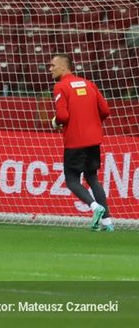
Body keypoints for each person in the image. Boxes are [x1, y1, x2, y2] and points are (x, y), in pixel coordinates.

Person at [49, 53, 114, 232]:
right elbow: (106, 111)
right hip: (94, 139)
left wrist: (55, 122)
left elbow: (63, 116)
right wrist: (91, 122)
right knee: (92, 177)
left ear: (64, 67)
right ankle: (107, 222)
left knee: (71, 180)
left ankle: (95, 207)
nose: (50, 69)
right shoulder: (89, 84)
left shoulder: (60, 86)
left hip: (75, 141)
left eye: (53, 65)